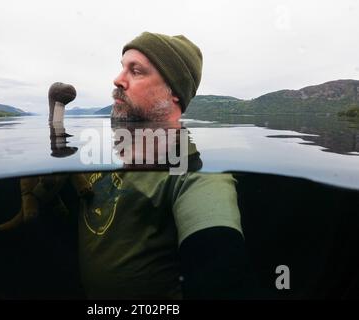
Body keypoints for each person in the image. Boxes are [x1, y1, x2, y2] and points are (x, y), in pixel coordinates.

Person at [77, 32, 253, 299]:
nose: (117, 79)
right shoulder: (109, 151)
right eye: (122, 66)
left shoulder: (194, 176)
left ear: (173, 94)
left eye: (135, 71)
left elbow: (220, 265)